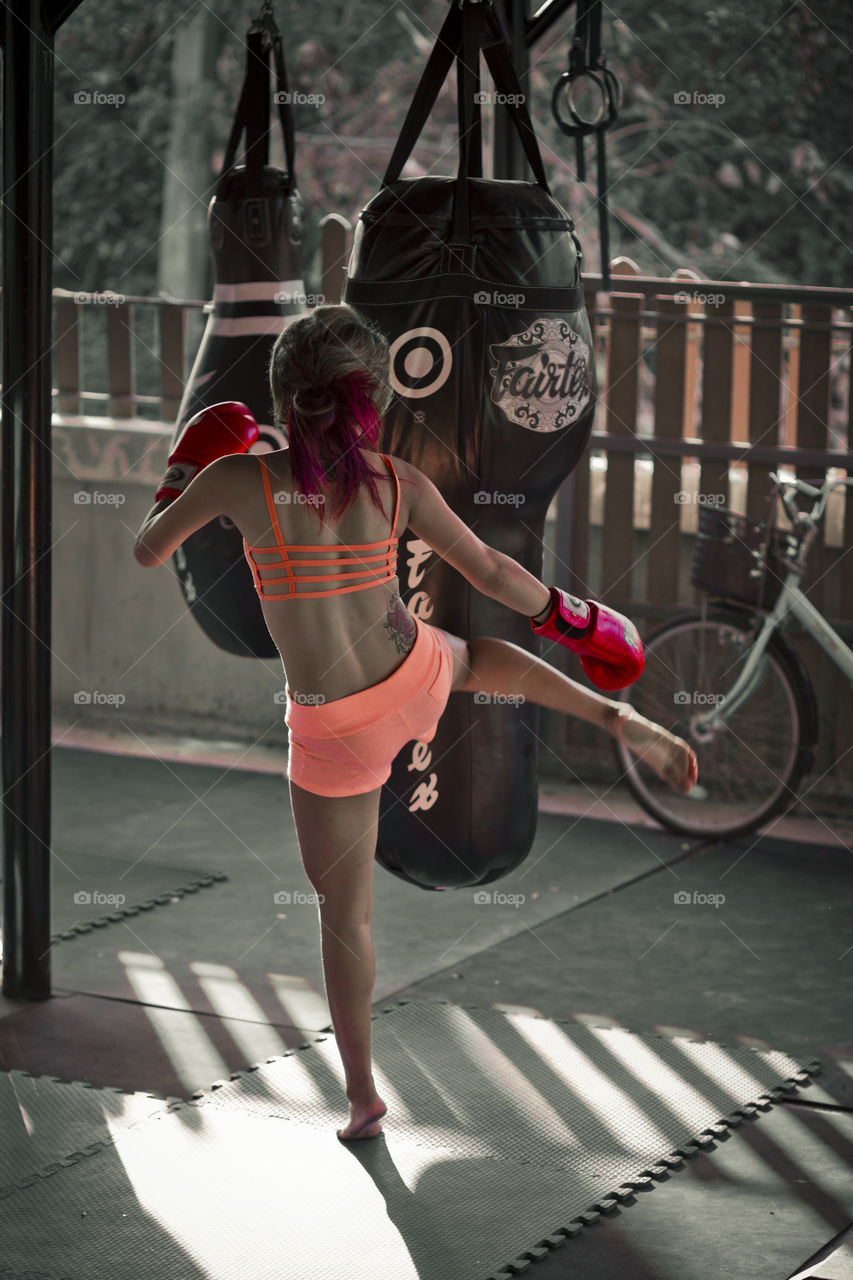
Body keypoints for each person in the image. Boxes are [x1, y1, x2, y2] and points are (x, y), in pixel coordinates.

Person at [134, 304, 698, 1143]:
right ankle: (616, 716)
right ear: (373, 401)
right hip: (409, 670)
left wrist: (187, 461)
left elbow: (149, 549)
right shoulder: (399, 481)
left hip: (330, 729)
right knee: (474, 658)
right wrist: (573, 617)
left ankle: (362, 1097)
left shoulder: (235, 482)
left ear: (284, 395)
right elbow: (492, 569)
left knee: (345, 918)